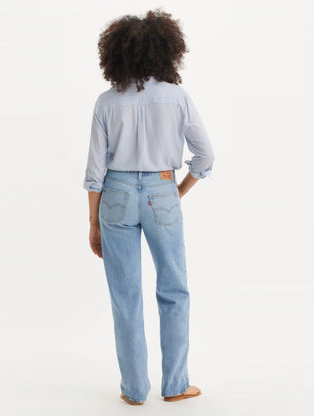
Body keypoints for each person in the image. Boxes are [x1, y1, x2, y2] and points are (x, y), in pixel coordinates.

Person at [83, 8, 215, 405]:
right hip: (162, 191)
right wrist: (177, 190)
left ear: (116, 54)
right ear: (167, 51)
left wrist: (93, 223)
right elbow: (206, 156)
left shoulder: (106, 102)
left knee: (125, 297)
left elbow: (94, 173)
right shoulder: (177, 97)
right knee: (174, 289)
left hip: (116, 195)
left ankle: (134, 390)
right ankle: (175, 386)